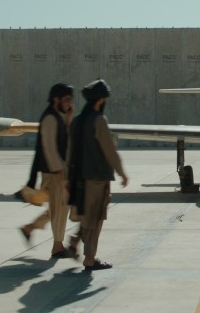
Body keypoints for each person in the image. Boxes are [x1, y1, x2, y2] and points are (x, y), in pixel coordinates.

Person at [66, 78, 128, 271]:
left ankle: (75, 240)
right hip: (96, 178)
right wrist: (122, 173)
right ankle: (90, 259)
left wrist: (68, 177)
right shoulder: (99, 120)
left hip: (79, 177)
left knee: (86, 214)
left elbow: (69, 151)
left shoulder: (77, 121)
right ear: (101, 100)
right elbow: (109, 150)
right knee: (95, 218)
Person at [19, 83, 77, 259]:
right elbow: (49, 148)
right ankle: (57, 247)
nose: (69, 103)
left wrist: (68, 119)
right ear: (56, 99)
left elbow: (65, 141)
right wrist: (61, 172)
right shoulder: (50, 119)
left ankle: (29, 228)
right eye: (66, 99)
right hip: (54, 173)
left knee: (57, 209)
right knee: (60, 208)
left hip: (57, 171)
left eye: (70, 99)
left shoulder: (58, 117)